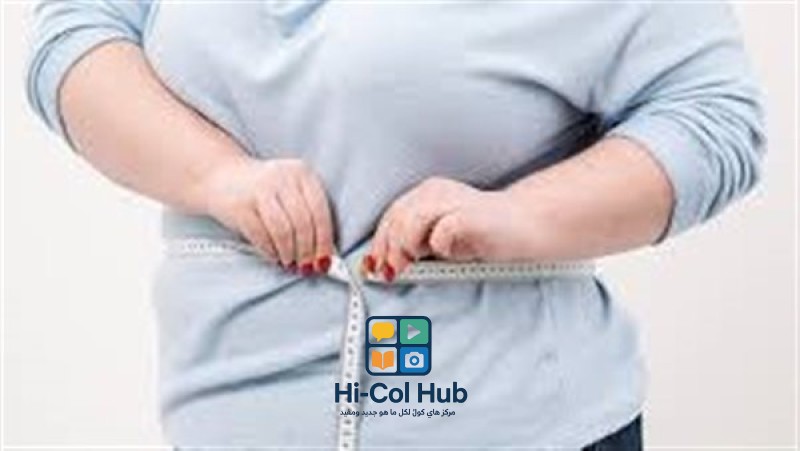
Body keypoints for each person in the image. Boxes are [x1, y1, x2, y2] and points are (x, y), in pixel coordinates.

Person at [27, 1, 764, 449]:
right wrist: (216, 174)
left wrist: (519, 215)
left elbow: (712, 115)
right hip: (218, 419)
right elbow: (78, 28)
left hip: (513, 425)